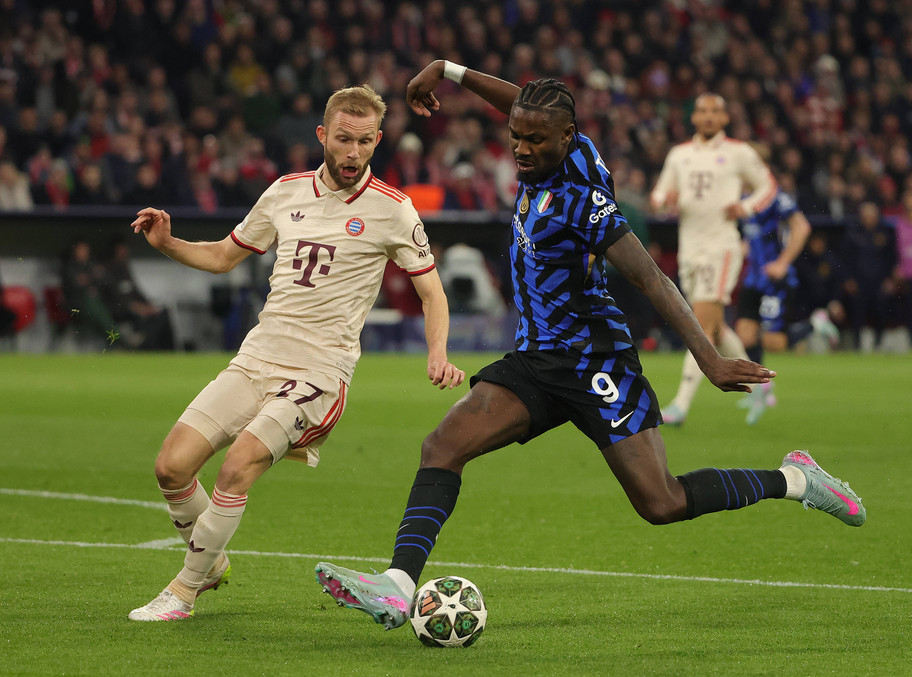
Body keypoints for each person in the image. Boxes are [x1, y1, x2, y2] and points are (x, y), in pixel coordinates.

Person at [312, 62, 866, 632]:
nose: (521, 149)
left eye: (534, 140)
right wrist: (450, 72)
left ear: (566, 140)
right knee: (442, 445)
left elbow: (651, 278)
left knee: (662, 503)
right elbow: (525, 104)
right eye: (516, 137)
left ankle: (797, 479)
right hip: (536, 362)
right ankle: (398, 587)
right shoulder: (562, 144)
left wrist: (711, 358)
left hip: (597, 364)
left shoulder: (583, 201)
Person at [126, 84, 465, 622]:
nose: (353, 152)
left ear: (378, 140)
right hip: (257, 357)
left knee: (236, 468)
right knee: (171, 466)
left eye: (365, 141)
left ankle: (183, 592)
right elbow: (222, 257)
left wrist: (437, 354)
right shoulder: (284, 192)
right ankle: (210, 564)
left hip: (319, 373)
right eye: (343, 139)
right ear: (322, 135)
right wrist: (168, 244)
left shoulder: (393, 210)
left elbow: (433, 292)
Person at [649, 93, 777, 425]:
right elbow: (658, 196)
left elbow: (768, 187)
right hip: (689, 249)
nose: (708, 117)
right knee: (716, 328)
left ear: (724, 118)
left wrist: (746, 207)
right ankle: (762, 385)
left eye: (715, 112)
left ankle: (680, 404)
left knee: (702, 325)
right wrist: (667, 200)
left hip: (721, 247)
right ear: (694, 118)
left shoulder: (738, 153)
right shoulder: (680, 155)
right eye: (702, 111)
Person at [734, 182, 811, 424]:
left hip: (774, 278)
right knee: (744, 337)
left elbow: (802, 227)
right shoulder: (742, 199)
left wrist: (782, 263)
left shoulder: (776, 197)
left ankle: (815, 325)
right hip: (753, 278)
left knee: (773, 343)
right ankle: (760, 391)